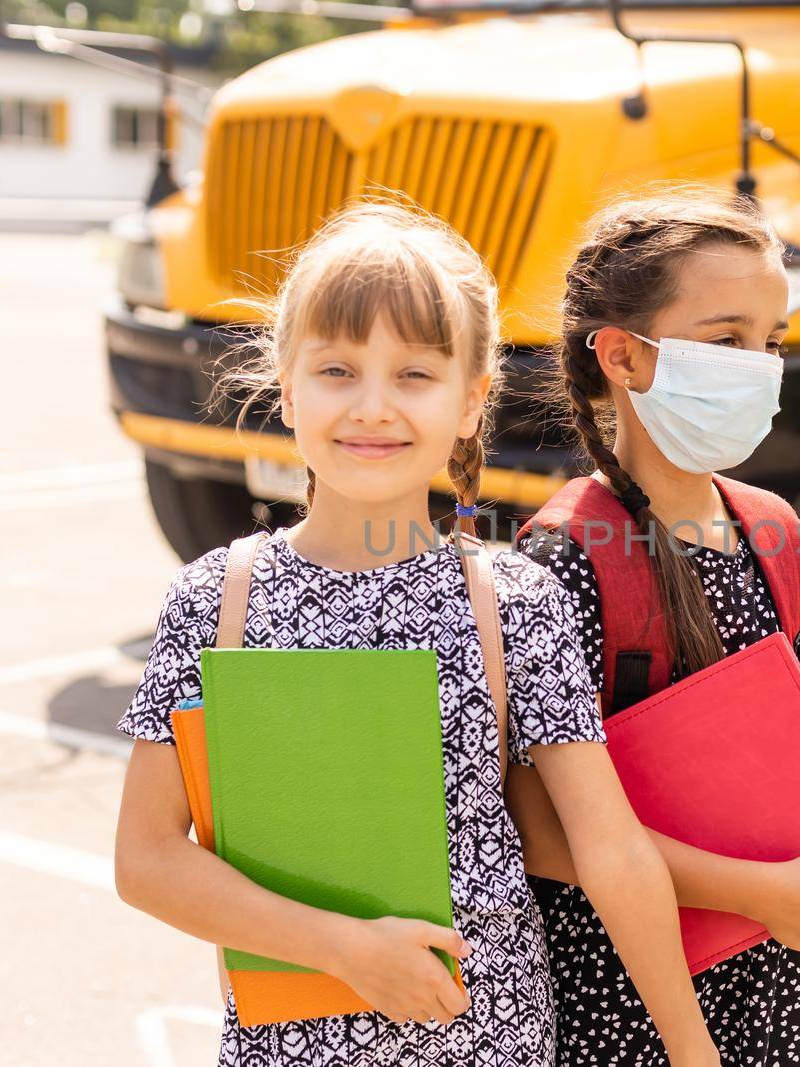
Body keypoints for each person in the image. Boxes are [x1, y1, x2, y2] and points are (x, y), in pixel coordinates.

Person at [112, 202, 720, 1067]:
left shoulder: (513, 602)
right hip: (288, 1049)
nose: (372, 407)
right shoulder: (217, 600)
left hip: (489, 1043)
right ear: (286, 387)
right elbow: (146, 859)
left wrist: (692, 1050)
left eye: (414, 375)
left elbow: (611, 849)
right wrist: (343, 947)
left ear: (472, 403)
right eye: (336, 369)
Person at [507, 188, 800, 1065]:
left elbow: (792, 760)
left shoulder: (778, 534)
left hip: (769, 992)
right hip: (617, 1007)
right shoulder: (561, 559)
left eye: (771, 342)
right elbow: (542, 828)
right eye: (726, 340)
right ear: (622, 356)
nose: (758, 366)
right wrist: (767, 889)